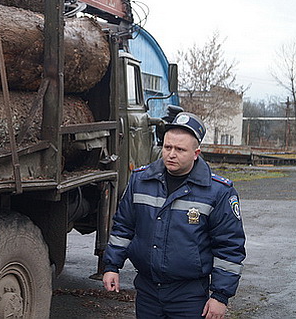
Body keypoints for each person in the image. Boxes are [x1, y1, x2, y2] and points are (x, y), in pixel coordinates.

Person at [102, 112, 246, 319]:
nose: (171, 154)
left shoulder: (218, 192)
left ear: (196, 153)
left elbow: (229, 247)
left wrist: (220, 296)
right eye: (167, 147)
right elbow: (123, 228)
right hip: (147, 291)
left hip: (189, 295)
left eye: (180, 149)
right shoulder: (140, 181)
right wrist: (111, 266)